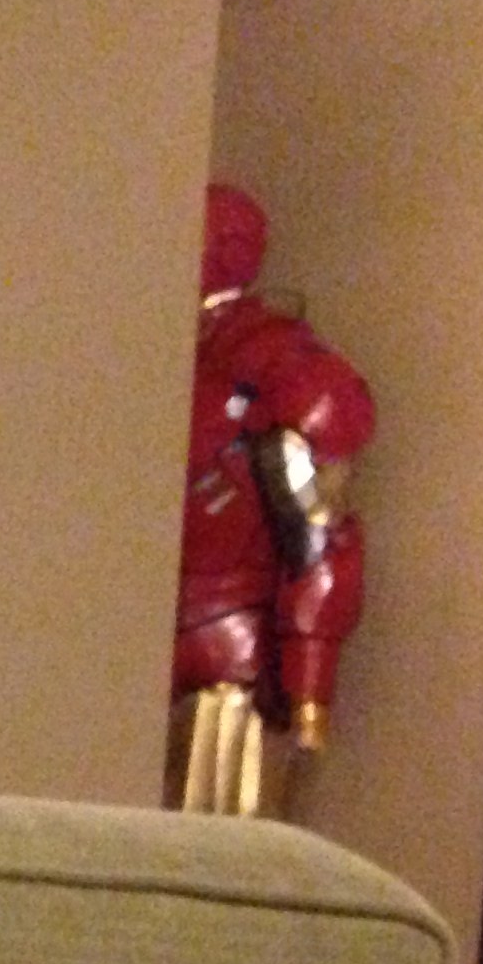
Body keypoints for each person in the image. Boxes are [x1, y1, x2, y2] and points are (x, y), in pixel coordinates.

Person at [173, 181, 375, 816]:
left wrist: (309, 690)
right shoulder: (151, 347)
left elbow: (316, 538)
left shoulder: (274, 365)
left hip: (226, 663)